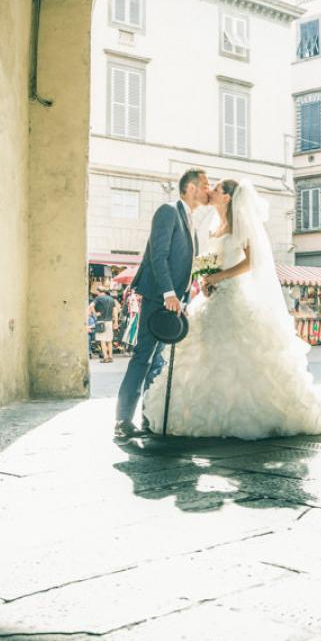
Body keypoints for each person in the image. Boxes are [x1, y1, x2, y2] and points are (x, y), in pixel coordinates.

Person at [142, 179, 321, 439]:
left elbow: (250, 263)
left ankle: (245, 415)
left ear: (228, 197)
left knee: (236, 357)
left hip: (234, 297)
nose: (211, 191)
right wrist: (205, 282)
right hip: (212, 298)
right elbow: (211, 265)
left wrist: (218, 278)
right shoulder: (214, 227)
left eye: (216, 189)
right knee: (206, 356)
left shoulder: (240, 225)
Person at [114, 168, 209, 438]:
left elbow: (187, 264)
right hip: (158, 296)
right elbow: (159, 254)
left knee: (158, 361)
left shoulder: (190, 221)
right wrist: (168, 293)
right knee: (143, 357)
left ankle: (148, 417)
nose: (207, 190)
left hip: (174, 301)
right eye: (204, 185)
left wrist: (186, 294)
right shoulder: (168, 211)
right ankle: (122, 420)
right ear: (191, 188)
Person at [91, 288, 119, 363]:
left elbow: (91, 306)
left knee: (102, 340)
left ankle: (105, 357)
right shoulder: (111, 299)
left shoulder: (98, 298)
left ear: (98, 291)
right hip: (109, 322)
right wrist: (116, 322)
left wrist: (95, 314)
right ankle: (110, 356)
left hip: (101, 322)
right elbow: (115, 311)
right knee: (109, 340)